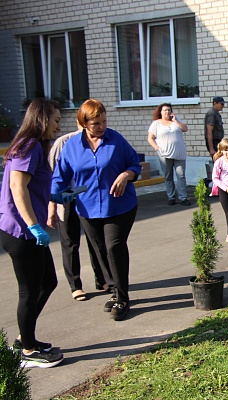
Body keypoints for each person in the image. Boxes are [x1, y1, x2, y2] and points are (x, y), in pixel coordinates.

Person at [52, 99, 141, 321]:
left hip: (120, 205)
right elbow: (59, 178)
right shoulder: (71, 147)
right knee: (100, 250)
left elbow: (134, 164)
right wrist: (54, 201)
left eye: (104, 121)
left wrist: (126, 175)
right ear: (84, 123)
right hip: (88, 208)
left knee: (114, 246)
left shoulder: (116, 140)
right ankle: (114, 290)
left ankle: (122, 298)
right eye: (96, 123)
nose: (102, 127)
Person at [0, 98, 64, 368]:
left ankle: (25, 338)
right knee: (29, 291)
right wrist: (33, 225)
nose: (58, 126)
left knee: (48, 282)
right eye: (56, 120)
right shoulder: (29, 146)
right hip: (21, 231)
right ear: (42, 119)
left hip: (26, 230)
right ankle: (27, 350)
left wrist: (55, 196)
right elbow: (17, 187)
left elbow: (33, 185)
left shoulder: (35, 146)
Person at [48, 125, 110, 301]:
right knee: (70, 242)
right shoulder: (64, 142)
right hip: (68, 196)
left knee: (96, 240)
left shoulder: (100, 141)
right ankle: (75, 285)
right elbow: (53, 176)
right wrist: (52, 206)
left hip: (90, 196)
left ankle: (102, 279)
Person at [148, 103, 190, 206]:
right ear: (161, 112)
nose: (167, 112)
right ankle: (171, 197)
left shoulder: (175, 121)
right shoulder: (156, 124)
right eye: (165, 110)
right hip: (165, 154)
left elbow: (185, 129)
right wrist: (157, 148)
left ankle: (183, 198)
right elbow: (150, 138)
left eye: (169, 110)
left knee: (181, 175)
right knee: (168, 176)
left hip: (179, 153)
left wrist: (175, 121)